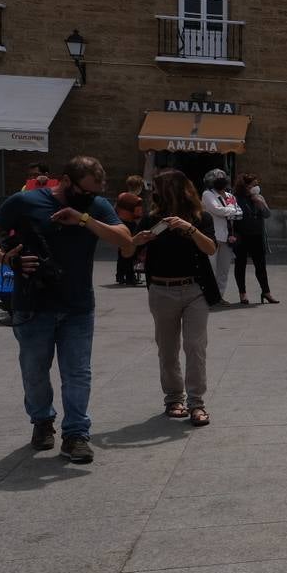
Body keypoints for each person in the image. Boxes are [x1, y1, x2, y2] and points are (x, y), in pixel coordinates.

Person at [0, 156, 132, 463]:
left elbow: (126, 243)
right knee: (35, 371)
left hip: (78, 305)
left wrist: (83, 219)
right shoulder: (24, 201)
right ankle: (42, 422)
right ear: (66, 181)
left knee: (78, 373)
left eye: (97, 191)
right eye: (86, 190)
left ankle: (76, 434)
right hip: (32, 305)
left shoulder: (94, 205)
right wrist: (6, 258)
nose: (92, 196)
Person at [126, 170, 218, 425]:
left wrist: (189, 229)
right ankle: (174, 398)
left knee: (195, 345)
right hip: (161, 289)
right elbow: (126, 252)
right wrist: (135, 240)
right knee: (167, 349)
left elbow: (211, 248)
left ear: (175, 190)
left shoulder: (201, 218)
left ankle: (197, 403)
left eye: (157, 188)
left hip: (194, 290)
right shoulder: (151, 219)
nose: (153, 193)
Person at [232, 173, 277, 305]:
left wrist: (260, 203)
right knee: (240, 265)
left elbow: (267, 214)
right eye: (253, 185)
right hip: (241, 236)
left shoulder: (259, 197)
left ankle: (266, 292)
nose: (256, 187)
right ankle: (243, 294)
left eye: (257, 185)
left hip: (257, 236)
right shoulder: (236, 198)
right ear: (245, 186)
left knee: (261, 265)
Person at [200, 169, 242, 304]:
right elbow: (216, 210)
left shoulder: (230, 195)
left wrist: (230, 211)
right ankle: (207, 296)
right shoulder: (207, 194)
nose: (221, 181)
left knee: (223, 270)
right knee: (211, 268)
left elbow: (240, 213)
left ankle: (218, 297)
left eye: (223, 178)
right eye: (218, 178)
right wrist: (231, 210)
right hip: (214, 235)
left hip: (229, 236)